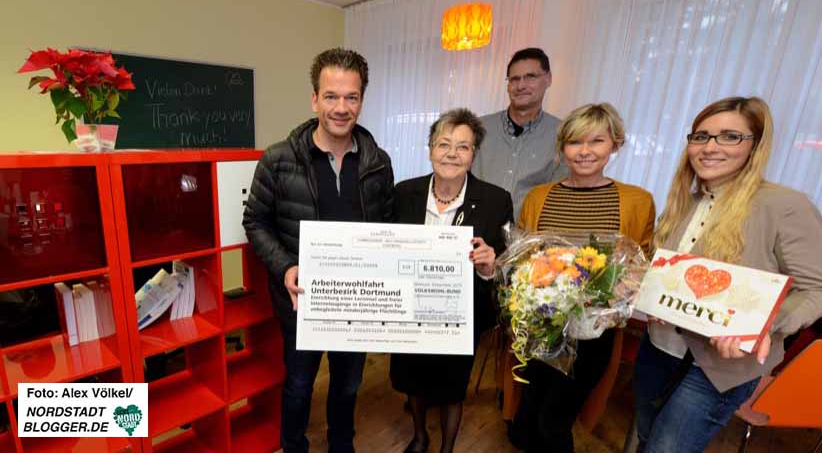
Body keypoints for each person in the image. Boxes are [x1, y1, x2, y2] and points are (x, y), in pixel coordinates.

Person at [633, 96, 822, 453]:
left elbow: (819, 291)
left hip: (718, 369)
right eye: (701, 136)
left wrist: (761, 328)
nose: (710, 147)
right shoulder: (685, 202)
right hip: (658, 348)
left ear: (755, 145)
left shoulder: (785, 205)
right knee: (647, 438)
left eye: (729, 136)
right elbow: (671, 275)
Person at [242, 48, 395, 453]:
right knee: (298, 385)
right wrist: (285, 268)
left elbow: (387, 229)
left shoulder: (379, 163)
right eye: (331, 96)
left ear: (361, 100)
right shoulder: (278, 159)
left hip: (357, 301)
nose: (341, 108)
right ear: (314, 99)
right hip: (301, 303)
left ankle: (341, 445)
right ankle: (294, 446)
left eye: (351, 97)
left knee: (348, 384)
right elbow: (255, 221)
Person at [507, 103, 656, 452]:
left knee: (554, 420)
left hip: (593, 332)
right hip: (542, 324)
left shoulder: (637, 201)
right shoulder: (539, 197)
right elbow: (524, 255)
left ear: (615, 144)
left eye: (597, 141)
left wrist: (621, 289)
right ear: (562, 148)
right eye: (575, 142)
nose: (585, 151)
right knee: (530, 411)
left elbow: (643, 261)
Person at [389, 108, 513, 453]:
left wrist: (489, 265)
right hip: (409, 309)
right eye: (443, 144)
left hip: (462, 314)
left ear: (474, 154)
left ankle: (447, 448)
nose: (452, 154)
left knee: (453, 386)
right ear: (430, 148)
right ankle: (420, 436)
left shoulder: (496, 200)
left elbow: (503, 263)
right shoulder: (404, 193)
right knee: (413, 379)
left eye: (463, 147)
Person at [472, 47, 569, 221]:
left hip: (528, 233)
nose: (521, 85)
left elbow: (560, 196)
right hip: (475, 229)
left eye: (530, 77)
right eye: (514, 79)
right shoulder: (478, 128)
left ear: (548, 79)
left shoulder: (563, 134)